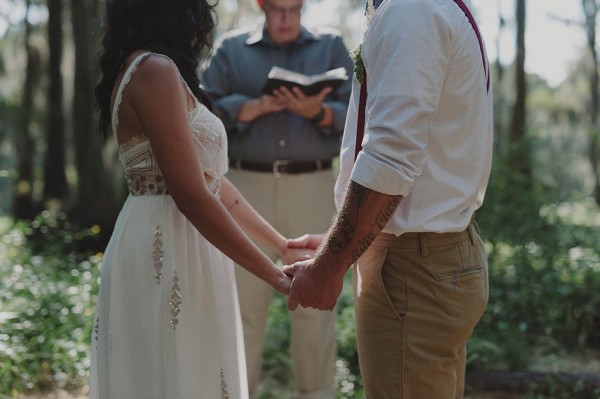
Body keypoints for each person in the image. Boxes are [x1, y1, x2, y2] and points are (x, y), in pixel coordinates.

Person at [89, 1, 313, 398]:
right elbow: (191, 195)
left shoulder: (149, 69)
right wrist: (275, 275)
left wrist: (280, 245)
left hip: (179, 238)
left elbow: (212, 183)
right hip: (169, 242)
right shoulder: (154, 71)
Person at [284, 0, 493, 398]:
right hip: (424, 255)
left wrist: (330, 265)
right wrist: (342, 243)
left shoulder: (412, 9)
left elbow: (391, 158)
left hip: (412, 267)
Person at [200, 0, 354, 397]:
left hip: (314, 184)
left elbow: (358, 112)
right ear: (262, 7)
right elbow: (199, 106)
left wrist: (317, 112)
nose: (286, 18)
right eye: (277, 9)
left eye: (293, 9)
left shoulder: (332, 46)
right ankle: (236, 392)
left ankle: (317, 393)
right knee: (242, 304)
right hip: (243, 187)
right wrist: (250, 108)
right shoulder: (232, 50)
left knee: (316, 304)